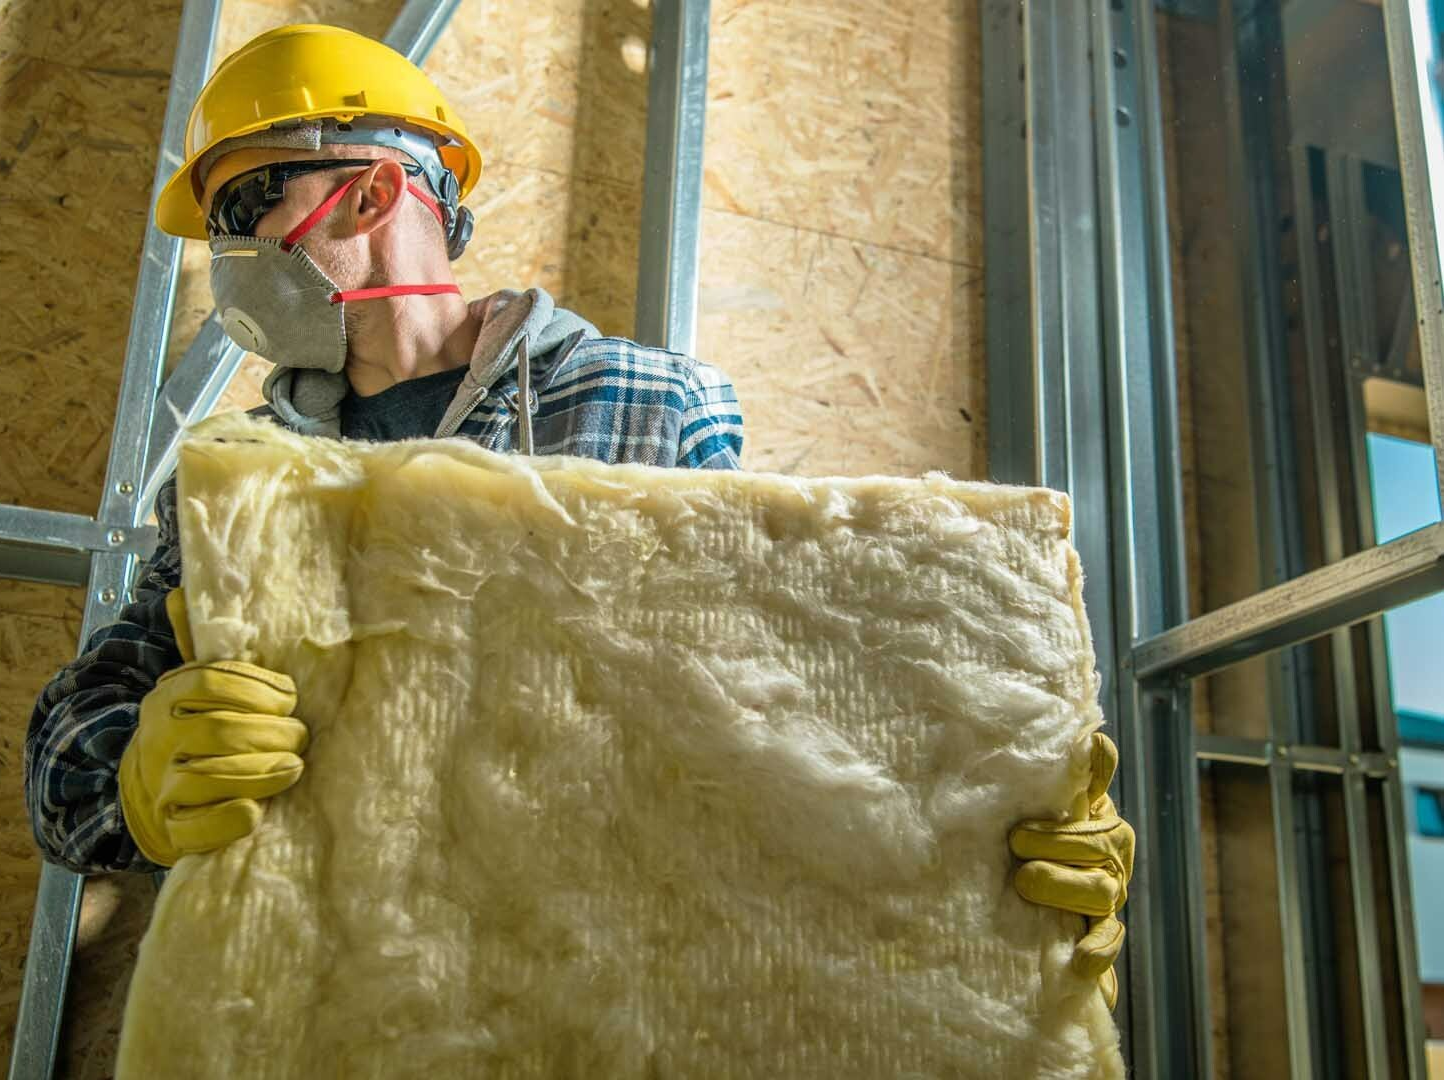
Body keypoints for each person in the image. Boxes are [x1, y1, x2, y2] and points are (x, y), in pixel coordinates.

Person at [24, 24, 1132, 1010]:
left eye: (238, 209)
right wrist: (131, 775)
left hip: (576, 987)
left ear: (366, 195)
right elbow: (67, 750)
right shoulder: (236, 475)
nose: (227, 261)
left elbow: (774, 688)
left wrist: (993, 828)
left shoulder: (640, 404)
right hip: (328, 1004)